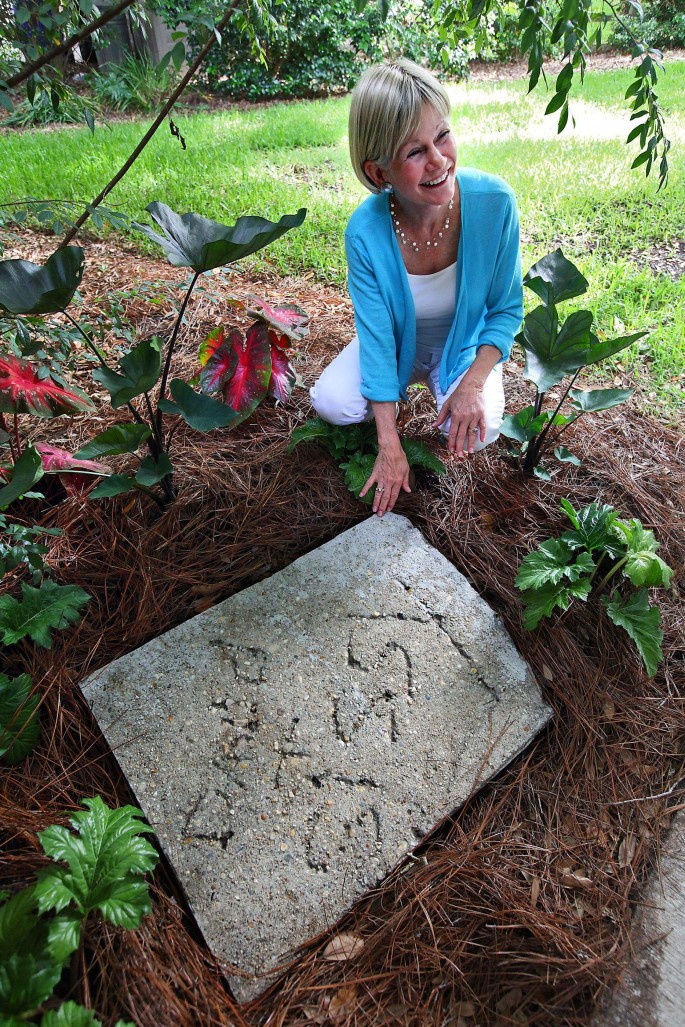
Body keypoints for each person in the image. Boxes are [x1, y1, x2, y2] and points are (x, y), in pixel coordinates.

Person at [309, 58, 523, 518]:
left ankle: (453, 384)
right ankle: (400, 392)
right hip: (397, 344)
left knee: (482, 430)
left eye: (442, 135)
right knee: (333, 403)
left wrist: (471, 385)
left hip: (463, 344)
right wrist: (390, 443)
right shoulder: (364, 233)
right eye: (414, 152)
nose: (439, 160)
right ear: (379, 171)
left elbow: (506, 311)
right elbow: (380, 339)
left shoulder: (495, 203)